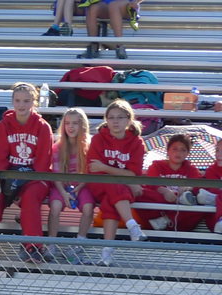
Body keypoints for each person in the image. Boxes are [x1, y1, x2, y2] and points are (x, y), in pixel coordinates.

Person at [0, 83, 54, 263]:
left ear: (34, 101)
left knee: (31, 197)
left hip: (34, 177)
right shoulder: (3, 126)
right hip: (8, 176)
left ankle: (33, 247)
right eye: (17, 100)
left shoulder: (43, 127)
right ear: (12, 101)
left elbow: (42, 163)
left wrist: (21, 188)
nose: (21, 105)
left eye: (26, 100)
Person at [85, 98, 146, 266]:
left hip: (119, 190)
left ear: (128, 119)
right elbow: (93, 169)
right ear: (106, 120)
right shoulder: (98, 139)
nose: (115, 121)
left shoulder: (136, 142)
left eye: (120, 117)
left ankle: (106, 254)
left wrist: (106, 167)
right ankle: (132, 225)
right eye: (111, 117)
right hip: (99, 184)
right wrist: (121, 174)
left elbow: (133, 174)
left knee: (109, 203)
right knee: (113, 184)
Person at [46, 108, 97, 264]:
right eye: (67, 123)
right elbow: (56, 173)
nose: (71, 127)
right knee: (54, 206)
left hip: (81, 184)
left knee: (88, 208)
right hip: (61, 184)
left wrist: (79, 188)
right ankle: (51, 244)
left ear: (82, 125)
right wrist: (63, 192)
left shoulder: (89, 146)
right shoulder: (58, 147)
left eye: (75, 123)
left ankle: (79, 244)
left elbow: (89, 173)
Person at [133, 134, 204, 232]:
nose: (178, 153)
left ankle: (167, 219)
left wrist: (189, 188)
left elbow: (198, 185)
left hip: (180, 214)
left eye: (183, 150)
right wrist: (164, 191)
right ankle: (166, 218)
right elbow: (151, 183)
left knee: (199, 203)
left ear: (188, 153)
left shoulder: (191, 169)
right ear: (168, 151)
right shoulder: (156, 165)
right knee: (140, 193)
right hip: (160, 205)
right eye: (174, 149)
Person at [193, 137, 222, 235]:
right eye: (217, 150)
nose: (219, 154)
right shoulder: (212, 170)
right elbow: (211, 188)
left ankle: (212, 198)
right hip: (214, 222)